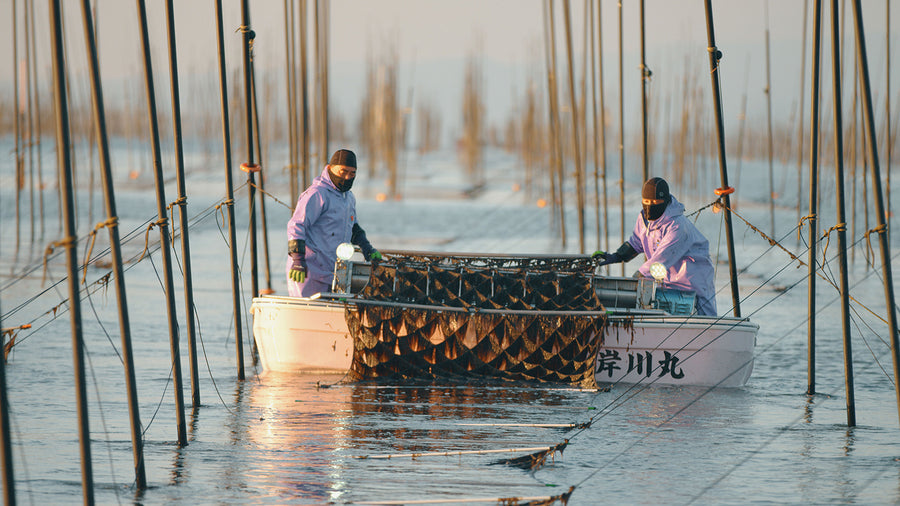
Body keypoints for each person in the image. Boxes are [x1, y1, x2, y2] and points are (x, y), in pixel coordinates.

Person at [593, 177, 717, 316]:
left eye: (654, 202)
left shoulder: (678, 226)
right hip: (669, 285)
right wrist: (616, 256)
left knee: (704, 317)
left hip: (693, 283)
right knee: (667, 313)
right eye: (646, 202)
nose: (649, 206)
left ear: (664, 201)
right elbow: (636, 242)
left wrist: (637, 278)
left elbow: (660, 259)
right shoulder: (644, 219)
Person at [286, 148, 381, 297]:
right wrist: (298, 259)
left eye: (352, 173)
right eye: (343, 171)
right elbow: (296, 225)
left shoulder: (349, 198)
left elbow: (353, 228)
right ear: (330, 168)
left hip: (334, 272)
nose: (347, 177)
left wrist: (367, 248)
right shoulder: (317, 194)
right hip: (308, 271)